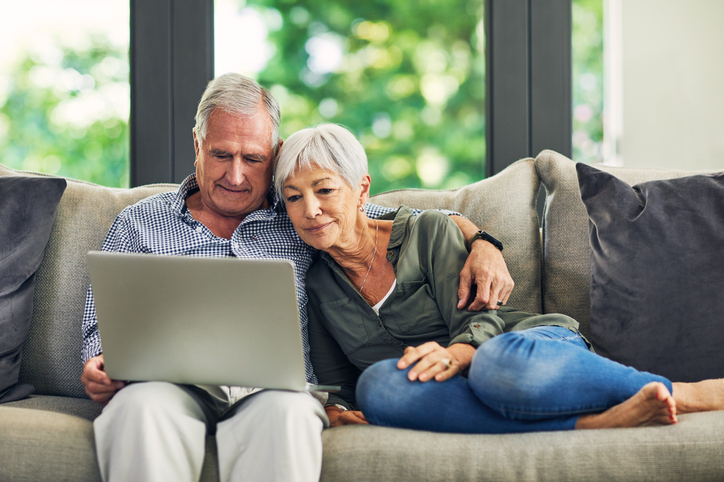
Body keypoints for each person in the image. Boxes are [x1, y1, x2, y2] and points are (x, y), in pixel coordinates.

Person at [80, 73, 514, 482]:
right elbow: (103, 322)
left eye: (252, 159)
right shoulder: (140, 223)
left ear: (275, 153)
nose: (235, 175)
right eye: (221, 155)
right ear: (198, 143)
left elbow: (399, 221)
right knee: (136, 409)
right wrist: (101, 365)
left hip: (275, 391)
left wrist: (483, 242)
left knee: (288, 417)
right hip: (167, 386)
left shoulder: (299, 213)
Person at [275, 122, 724, 433]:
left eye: (325, 190)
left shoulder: (427, 231)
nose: (310, 210)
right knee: (379, 388)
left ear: (362, 189)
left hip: (522, 349)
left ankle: (683, 393)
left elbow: (482, 319)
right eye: (294, 198)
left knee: (495, 364)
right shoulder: (316, 283)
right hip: (446, 389)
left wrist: (459, 354)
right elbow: (342, 383)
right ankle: (595, 423)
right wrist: (336, 410)